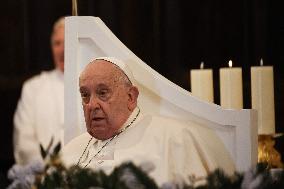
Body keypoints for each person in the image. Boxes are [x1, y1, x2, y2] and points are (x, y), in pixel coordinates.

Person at [63, 57, 235, 186]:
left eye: (103, 93)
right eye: (85, 95)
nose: (92, 105)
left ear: (131, 97)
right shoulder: (71, 150)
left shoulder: (174, 138)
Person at [13, 17, 65, 165]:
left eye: (67, 42)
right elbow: (24, 140)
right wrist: (49, 172)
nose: (62, 50)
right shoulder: (33, 88)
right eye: (57, 43)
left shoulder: (94, 86)